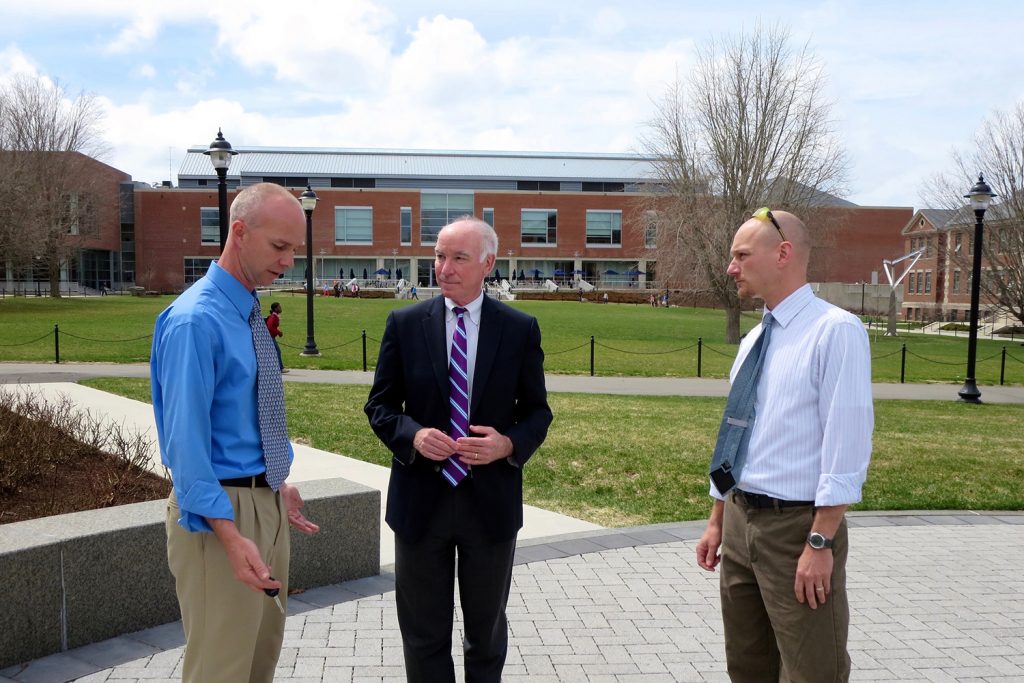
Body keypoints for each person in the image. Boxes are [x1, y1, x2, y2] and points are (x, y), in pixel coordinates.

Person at [365, 216, 552, 682]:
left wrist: (508, 443)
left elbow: (538, 413)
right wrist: (413, 435)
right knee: (423, 633)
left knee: (485, 634)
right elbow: (381, 405)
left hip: (489, 505)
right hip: (420, 503)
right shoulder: (405, 324)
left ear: (487, 263)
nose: (443, 268)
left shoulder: (519, 328)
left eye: (458, 258)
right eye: (439, 256)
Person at [151, 182, 320, 683]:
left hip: (264, 501)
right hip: (217, 515)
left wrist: (276, 482)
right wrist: (229, 532)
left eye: (295, 248)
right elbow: (184, 445)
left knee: (257, 664)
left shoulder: (245, 311)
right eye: (280, 247)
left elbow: (243, 415)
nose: (290, 261)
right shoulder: (194, 321)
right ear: (240, 233)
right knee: (219, 672)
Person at [695, 209, 873, 682]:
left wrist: (821, 539)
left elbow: (847, 441)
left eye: (741, 255)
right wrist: (717, 518)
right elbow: (736, 429)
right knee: (748, 668)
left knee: (813, 670)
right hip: (738, 522)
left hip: (797, 530)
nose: (731, 267)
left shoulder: (835, 331)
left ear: (784, 254)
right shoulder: (755, 338)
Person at [265, 301, 287, 373]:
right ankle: (280, 368)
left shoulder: (275, 316)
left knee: (272, 352)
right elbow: (270, 327)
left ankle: (272, 367)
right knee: (278, 351)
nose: (280, 308)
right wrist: (278, 332)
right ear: (275, 309)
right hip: (270, 337)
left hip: (271, 337)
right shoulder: (273, 317)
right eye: (279, 307)